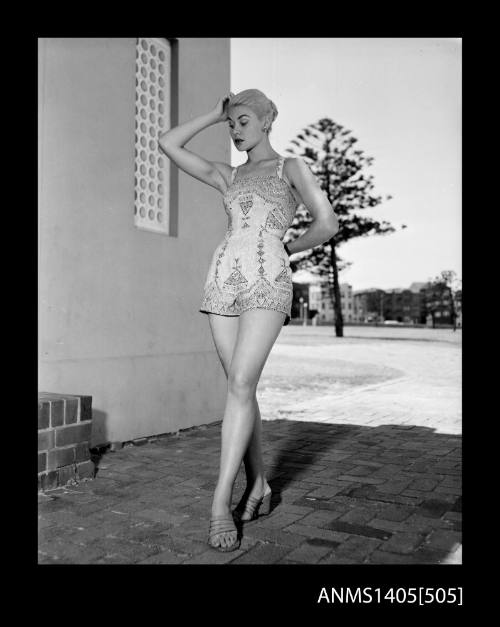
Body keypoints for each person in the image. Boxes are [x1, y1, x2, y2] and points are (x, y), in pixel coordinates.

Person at [159, 89, 339, 552]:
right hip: (222, 280)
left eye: (242, 121)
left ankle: (221, 503)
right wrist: (213, 114)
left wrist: (287, 249)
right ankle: (259, 483)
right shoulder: (229, 175)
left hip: (268, 282)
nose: (236, 130)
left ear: (266, 122)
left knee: (240, 382)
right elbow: (168, 143)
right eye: (231, 123)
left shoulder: (290, 167)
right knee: (242, 388)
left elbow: (327, 223)